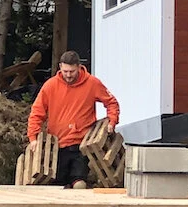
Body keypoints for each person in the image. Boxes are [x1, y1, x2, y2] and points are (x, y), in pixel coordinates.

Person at [26, 52, 120, 189]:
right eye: (65, 71)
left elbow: (111, 103)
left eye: (72, 71)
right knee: (57, 185)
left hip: (81, 145)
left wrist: (112, 121)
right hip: (58, 145)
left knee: (79, 184)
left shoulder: (92, 83)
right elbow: (37, 112)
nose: (68, 75)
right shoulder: (50, 86)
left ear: (79, 67)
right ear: (60, 67)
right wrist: (33, 137)